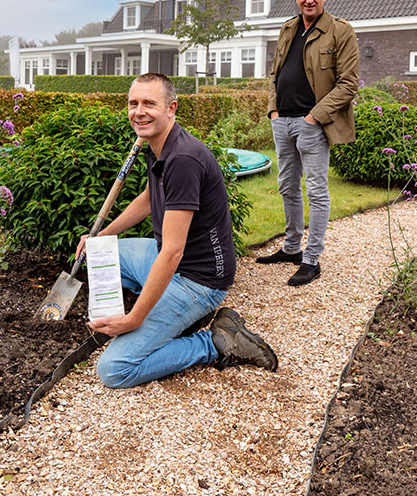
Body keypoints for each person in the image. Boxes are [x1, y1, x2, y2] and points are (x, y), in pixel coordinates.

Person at [78, 73, 278, 389]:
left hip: (198, 281)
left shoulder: (183, 159)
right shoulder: (156, 144)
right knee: (97, 255)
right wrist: (102, 237)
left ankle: (215, 342)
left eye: (149, 104)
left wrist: (133, 320)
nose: (139, 111)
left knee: (115, 369)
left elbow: (172, 253)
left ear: (171, 108)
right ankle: (172, 314)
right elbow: (148, 197)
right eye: (133, 103)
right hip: (170, 262)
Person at [260, 0, 359, 286]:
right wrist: (273, 110)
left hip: (312, 124)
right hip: (282, 121)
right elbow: (276, 74)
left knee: (316, 191)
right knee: (287, 186)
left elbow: (348, 83)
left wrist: (314, 117)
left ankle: (311, 259)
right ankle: (290, 248)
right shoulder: (288, 28)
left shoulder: (340, 31)